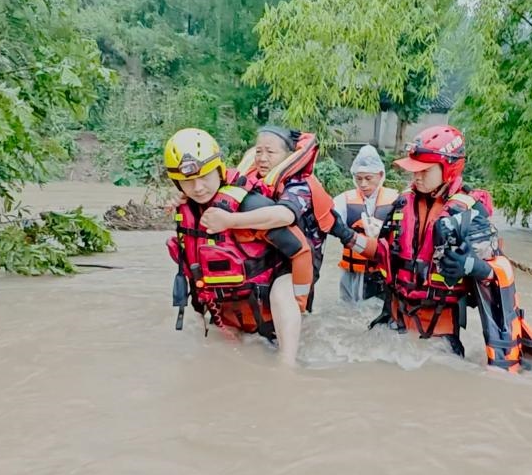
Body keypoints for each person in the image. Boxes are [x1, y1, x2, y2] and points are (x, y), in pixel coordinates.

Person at [347, 125, 532, 372]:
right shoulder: (403, 202)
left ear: (449, 168)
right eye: (414, 170)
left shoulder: (470, 212)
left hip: (438, 336)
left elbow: (498, 275)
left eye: (424, 170)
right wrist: (346, 235)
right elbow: (385, 256)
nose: (417, 177)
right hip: (394, 323)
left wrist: (472, 266)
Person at [163, 128, 314, 366]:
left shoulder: (249, 203)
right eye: (187, 182)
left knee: (282, 291)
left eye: (204, 177)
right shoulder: (187, 210)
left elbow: (297, 243)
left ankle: (287, 364)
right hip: (230, 303)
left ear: (219, 168)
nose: (198, 187)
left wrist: (231, 221)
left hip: (271, 291)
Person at [234, 125, 357, 311]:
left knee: (293, 312)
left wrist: (228, 220)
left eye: (270, 152)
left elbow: (284, 215)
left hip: (299, 261)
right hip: (268, 257)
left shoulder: (300, 186)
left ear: (288, 155)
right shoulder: (248, 179)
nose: (262, 158)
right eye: (258, 151)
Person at [332, 145, 399, 304]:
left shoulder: (396, 199)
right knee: (349, 312)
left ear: (380, 175)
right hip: (352, 271)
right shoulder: (344, 199)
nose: (363, 184)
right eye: (358, 178)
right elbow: (327, 220)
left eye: (368, 178)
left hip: (382, 271)